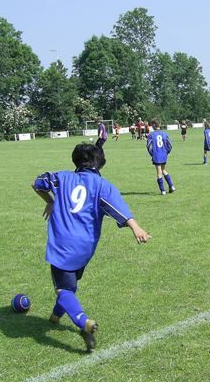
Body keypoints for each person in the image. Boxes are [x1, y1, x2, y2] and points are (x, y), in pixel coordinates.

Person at [31, 143, 151, 352]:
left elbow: (37, 183)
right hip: (85, 247)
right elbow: (118, 209)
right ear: (99, 162)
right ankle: (55, 316)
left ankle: (84, 322)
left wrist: (50, 201)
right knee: (70, 284)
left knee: (63, 289)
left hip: (63, 244)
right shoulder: (102, 185)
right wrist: (136, 227)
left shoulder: (61, 177)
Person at [146, 119, 175, 195]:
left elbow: (149, 146)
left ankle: (163, 190)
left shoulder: (151, 135)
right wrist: (166, 152)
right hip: (163, 155)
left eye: (152, 125)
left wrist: (152, 154)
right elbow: (170, 145)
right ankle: (171, 186)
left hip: (157, 155)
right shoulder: (164, 134)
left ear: (154, 125)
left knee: (159, 172)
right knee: (163, 170)